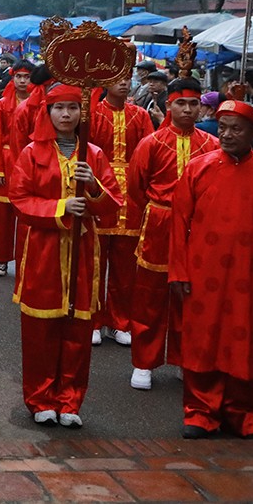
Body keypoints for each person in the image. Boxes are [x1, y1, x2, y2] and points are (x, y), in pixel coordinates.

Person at [170, 99, 253, 439]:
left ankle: (244, 414)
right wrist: (178, 272)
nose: (225, 135)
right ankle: (200, 413)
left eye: (235, 129)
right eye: (222, 127)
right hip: (203, 271)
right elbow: (179, 223)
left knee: (248, 345)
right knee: (202, 341)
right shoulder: (198, 168)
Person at [10, 84, 121, 428]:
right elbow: (19, 198)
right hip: (44, 251)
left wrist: (93, 189)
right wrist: (60, 207)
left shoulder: (95, 155)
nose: (66, 115)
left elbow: (113, 205)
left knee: (77, 331)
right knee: (41, 331)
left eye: (73, 108)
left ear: (81, 113)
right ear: (48, 113)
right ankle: (40, 398)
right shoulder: (31, 153)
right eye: (59, 109)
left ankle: (70, 400)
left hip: (83, 250)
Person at [124, 77, 218, 391]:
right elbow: (137, 188)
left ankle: (183, 357)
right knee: (149, 296)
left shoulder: (211, 144)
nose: (188, 109)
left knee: (189, 296)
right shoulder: (151, 143)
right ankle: (144, 362)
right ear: (169, 105)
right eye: (181, 103)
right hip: (159, 224)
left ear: (201, 106)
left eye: (194, 103)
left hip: (198, 228)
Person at [88, 77, 154, 347]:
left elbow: (149, 153)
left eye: (128, 80)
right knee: (95, 262)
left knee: (125, 267)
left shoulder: (140, 115)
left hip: (133, 194)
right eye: (117, 80)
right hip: (99, 187)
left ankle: (120, 321)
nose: (124, 84)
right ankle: (93, 319)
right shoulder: (93, 114)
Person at [0, 60, 36, 275]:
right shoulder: (3, 103)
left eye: (27, 77)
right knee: (2, 215)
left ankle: (28, 259)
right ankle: (1, 259)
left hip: (30, 161)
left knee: (29, 213)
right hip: (5, 160)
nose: (22, 81)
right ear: (13, 78)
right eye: (18, 77)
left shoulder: (39, 103)